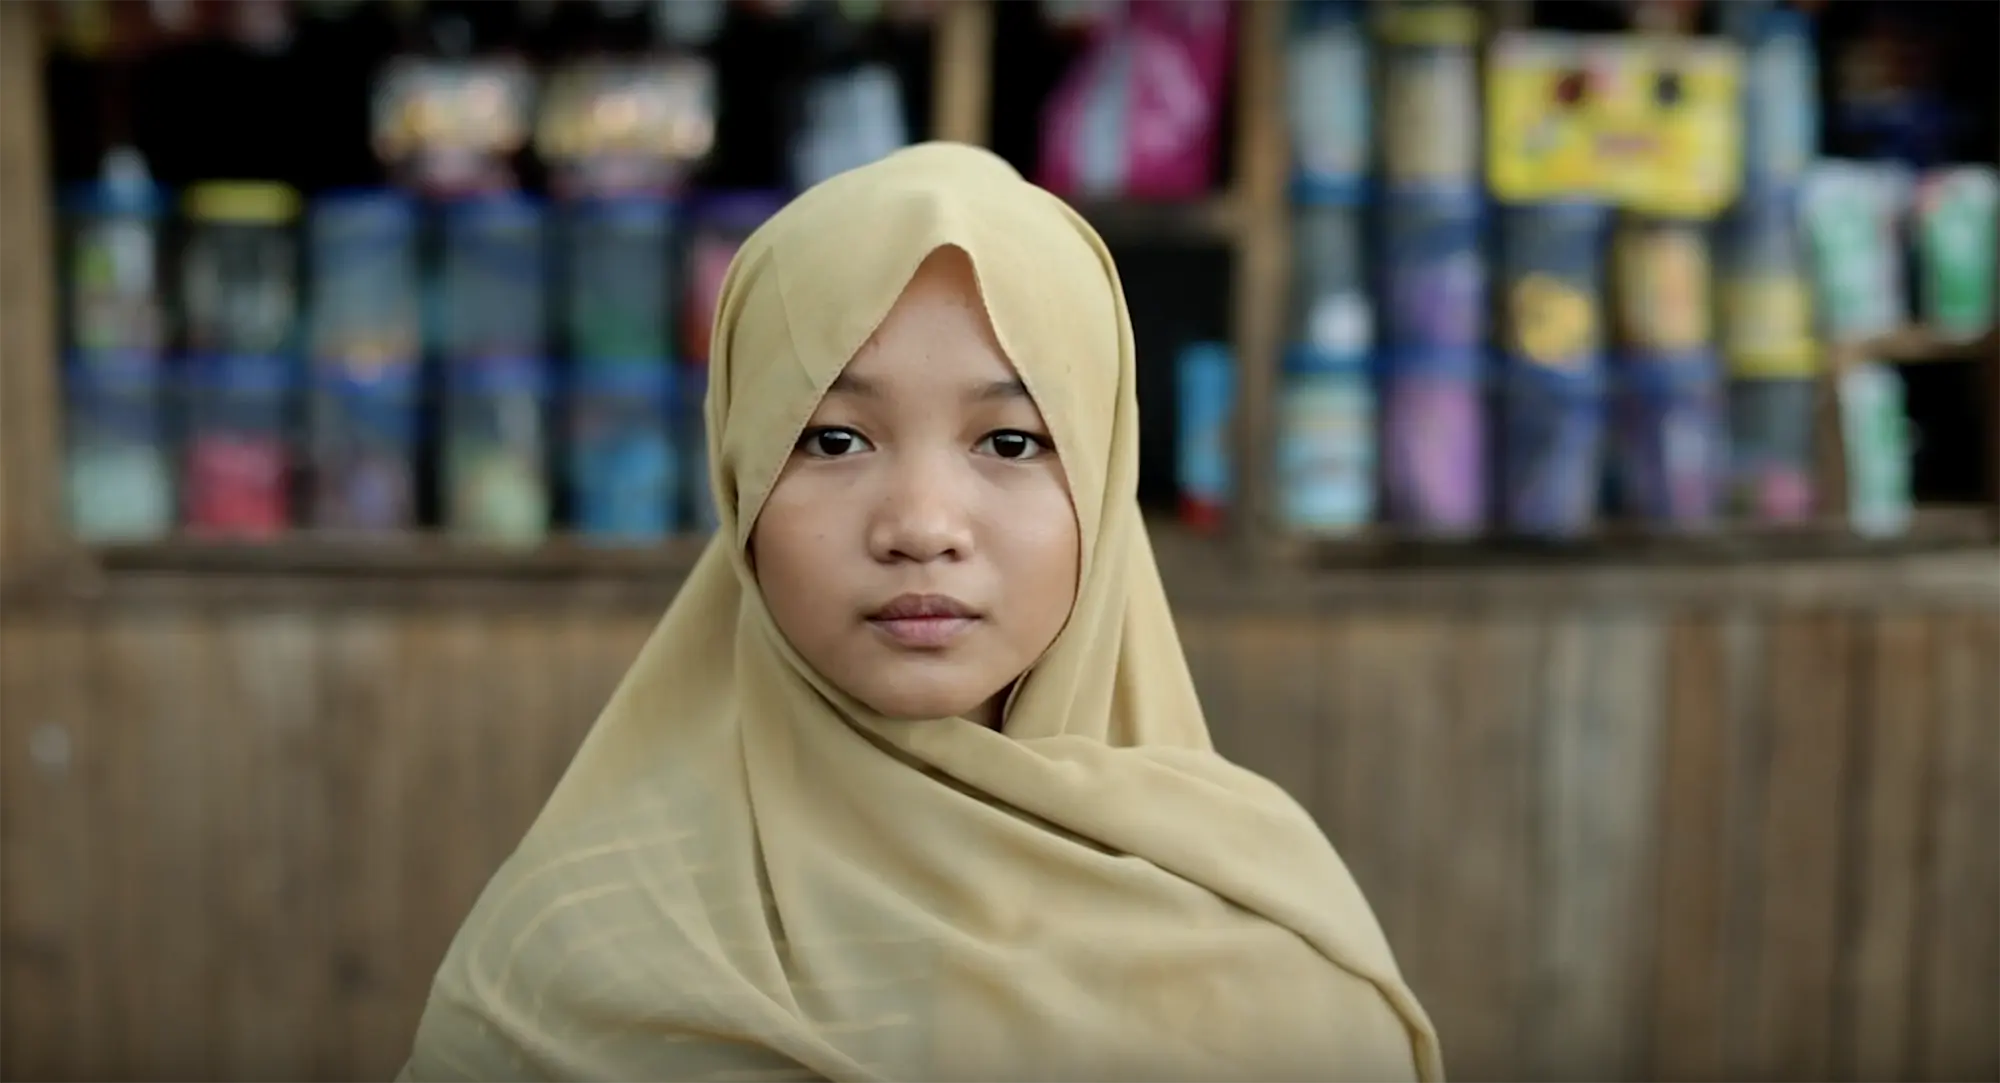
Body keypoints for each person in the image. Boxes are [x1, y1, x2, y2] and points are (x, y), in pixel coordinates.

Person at [397, 141, 1442, 1083]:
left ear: (1105, 481)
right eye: (834, 440)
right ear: (737, 478)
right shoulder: (568, 964)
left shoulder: (1268, 931)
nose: (921, 525)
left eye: (1011, 442)